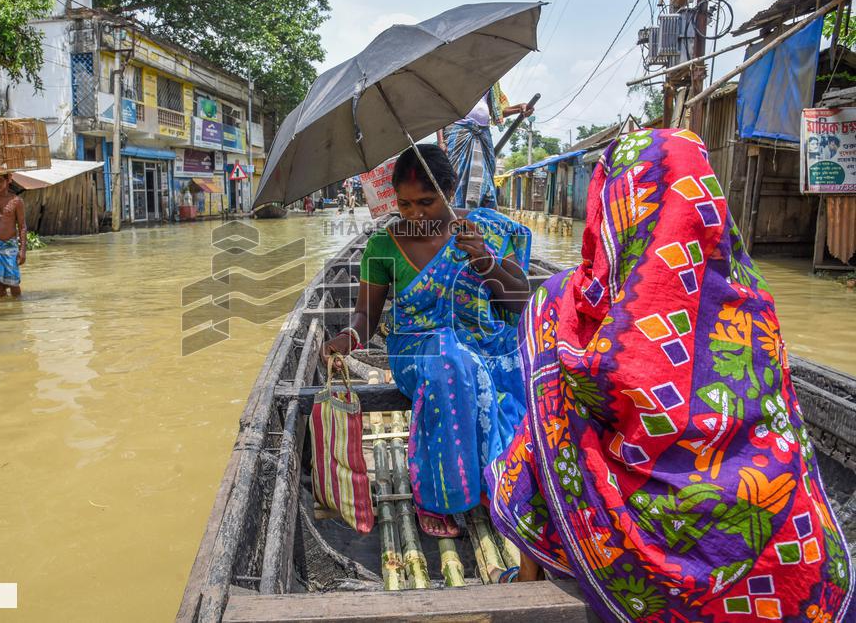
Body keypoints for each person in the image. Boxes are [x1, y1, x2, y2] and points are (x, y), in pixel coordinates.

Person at [486, 128, 853, 620]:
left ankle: (529, 579)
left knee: (543, 431)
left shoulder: (568, 308)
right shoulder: (754, 303)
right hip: (784, 565)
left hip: (622, 545)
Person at [321, 144, 532, 538]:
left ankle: (496, 477)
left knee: (525, 362)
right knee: (449, 361)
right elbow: (366, 315)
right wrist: (347, 338)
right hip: (415, 347)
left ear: (449, 192)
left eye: (426, 202)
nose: (415, 214)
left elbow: (521, 301)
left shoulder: (485, 230)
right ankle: (438, 495)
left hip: (482, 341)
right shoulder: (383, 245)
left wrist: (484, 260)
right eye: (405, 204)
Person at [442, 82, 533, 209]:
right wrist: (441, 141)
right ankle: (455, 211)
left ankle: (479, 213)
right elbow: (439, 109)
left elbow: (498, 111)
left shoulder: (489, 81)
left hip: (483, 133)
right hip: (458, 131)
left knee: (485, 178)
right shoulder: (455, 76)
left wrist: (520, 108)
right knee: (457, 175)